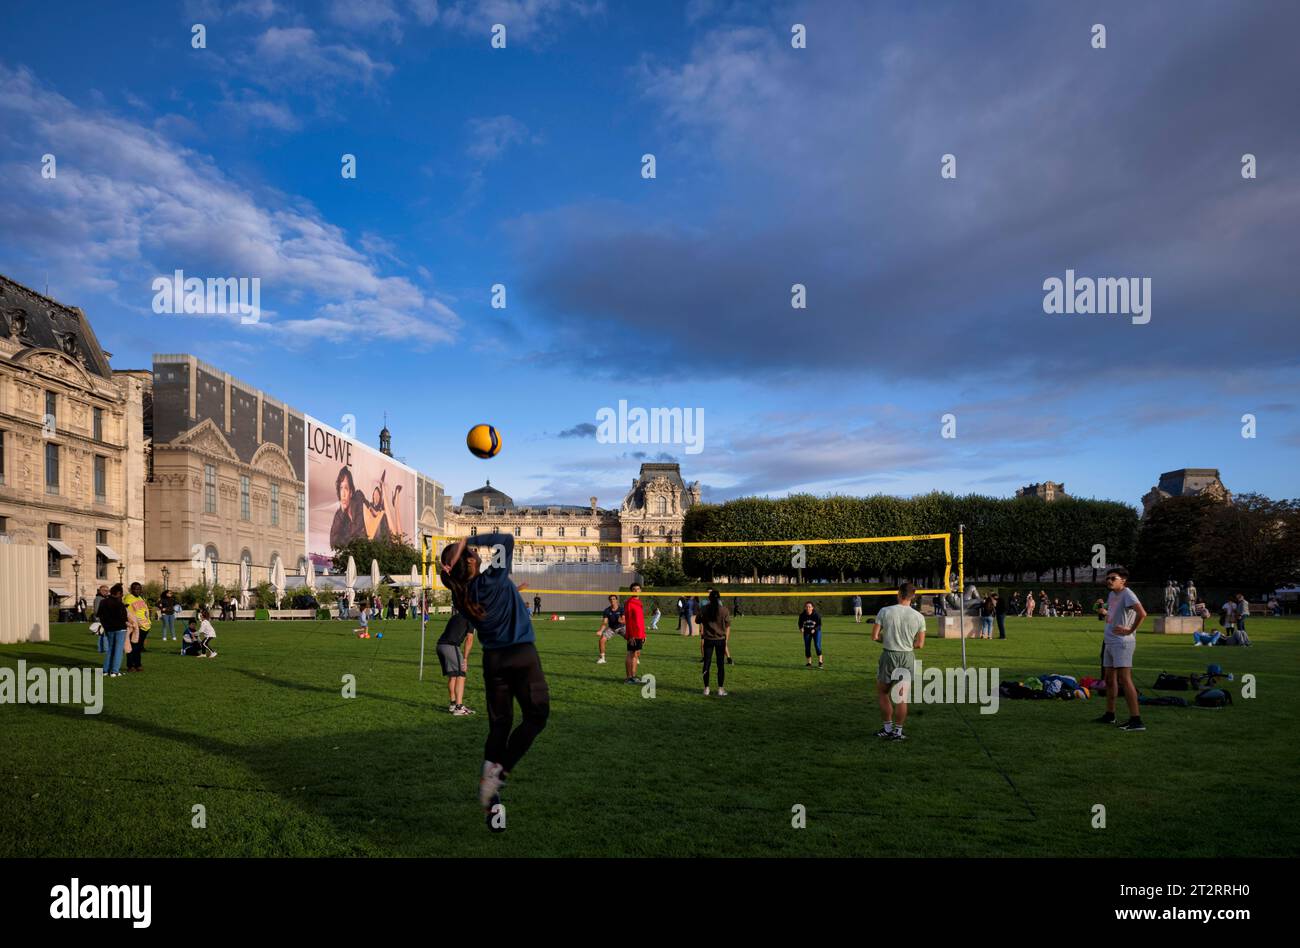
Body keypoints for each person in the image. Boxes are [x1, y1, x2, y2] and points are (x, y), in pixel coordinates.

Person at [439, 531, 550, 832]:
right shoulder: (494, 578)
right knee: (537, 716)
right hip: (521, 655)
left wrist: (462, 552)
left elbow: (473, 575)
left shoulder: (461, 595)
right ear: (472, 561)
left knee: (500, 725)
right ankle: (500, 772)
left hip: (494, 661)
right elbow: (506, 539)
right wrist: (465, 539)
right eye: (473, 551)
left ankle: (492, 793)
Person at [872, 582, 926, 741]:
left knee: (883, 692)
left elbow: (875, 636)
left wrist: (889, 640)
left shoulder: (885, 611)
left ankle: (888, 728)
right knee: (902, 698)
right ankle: (898, 732)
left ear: (898, 594)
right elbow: (920, 644)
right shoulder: (919, 616)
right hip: (907, 657)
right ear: (913, 596)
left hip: (889, 655)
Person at [1096, 567, 1147, 732]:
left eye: (1113, 578)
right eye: (1108, 578)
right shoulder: (1112, 595)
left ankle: (1136, 720)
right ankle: (1110, 715)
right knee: (1110, 680)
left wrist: (1129, 630)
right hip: (1110, 641)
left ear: (1123, 580)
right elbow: (1111, 616)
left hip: (1122, 642)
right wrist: (1103, 612)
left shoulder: (1128, 594)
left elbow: (1142, 613)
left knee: (1125, 680)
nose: (1109, 581)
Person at [438, 611, 476, 715]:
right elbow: (469, 639)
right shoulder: (470, 618)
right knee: (461, 674)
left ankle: (453, 704)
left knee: (453, 675)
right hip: (451, 646)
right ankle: (459, 707)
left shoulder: (455, 617)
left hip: (441, 645)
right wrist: (465, 658)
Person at [699, 589, 731, 696]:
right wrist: (726, 639)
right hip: (720, 640)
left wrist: (704, 619)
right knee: (720, 664)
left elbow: (697, 620)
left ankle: (706, 688)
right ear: (719, 598)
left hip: (708, 639)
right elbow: (727, 626)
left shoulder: (704, 609)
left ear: (709, 598)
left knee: (706, 664)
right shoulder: (724, 610)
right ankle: (720, 689)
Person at [96, 584, 130, 677]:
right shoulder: (119, 603)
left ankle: (106, 670)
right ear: (119, 593)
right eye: (122, 594)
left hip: (109, 628)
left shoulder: (103, 602)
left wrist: (105, 625)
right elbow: (124, 617)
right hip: (120, 628)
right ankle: (115, 671)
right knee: (118, 650)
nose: (122, 595)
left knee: (110, 649)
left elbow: (99, 615)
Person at [122, 581, 151, 672]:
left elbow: (144, 611)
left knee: (138, 647)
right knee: (132, 646)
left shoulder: (140, 598)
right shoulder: (128, 598)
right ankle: (131, 666)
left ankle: (138, 664)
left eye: (139, 589)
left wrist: (148, 622)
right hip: (135, 626)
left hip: (144, 627)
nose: (137, 590)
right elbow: (128, 613)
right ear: (131, 589)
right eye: (135, 588)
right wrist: (135, 624)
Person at [623, 583, 646, 684]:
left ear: (640, 590)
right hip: (633, 633)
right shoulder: (629, 602)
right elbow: (628, 620)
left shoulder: (639, 602)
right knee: (631, 654)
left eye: (638, 589)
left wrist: (644, 634)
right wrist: (631, 635)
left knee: (635, 654)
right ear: (631, 591)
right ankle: (629, 677)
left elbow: (640, 620)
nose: (636, 590)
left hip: (640, 633)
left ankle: (633, 676)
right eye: (634, 589)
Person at [595, 595, 624, 665]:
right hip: (612, 628)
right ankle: (602, 658)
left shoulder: (622, 609)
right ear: (609, 601)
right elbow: (605, 622)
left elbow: (625, 620)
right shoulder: (607, 610)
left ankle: (635, 658)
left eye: (614, 599)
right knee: (602, 640)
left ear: (616, 600)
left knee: (632, 639)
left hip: (622, 627)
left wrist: (622, 621)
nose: (612, 600)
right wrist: (600, 631)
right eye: (610, 599)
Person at [798, 601, 824, 669]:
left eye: (809, 607)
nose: (808, 608)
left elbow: (819, 624)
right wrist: (801, 628)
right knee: (807, 647)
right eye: (806, 607)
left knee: (817, 646)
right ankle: (809, 663)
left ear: (812, 608)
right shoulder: (802, 615)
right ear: (805, 607)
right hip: (807, 632)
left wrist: (814, 629)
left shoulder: (816, 615)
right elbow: (800, 623)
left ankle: (820, 662)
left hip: (816, 631)